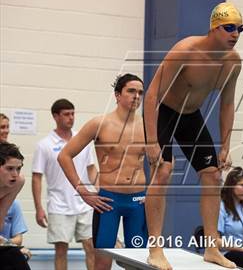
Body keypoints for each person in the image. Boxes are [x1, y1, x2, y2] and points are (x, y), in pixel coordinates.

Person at [144, 2, 243, 270]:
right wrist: (152, 141)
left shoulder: (233, 62)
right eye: (229, 28)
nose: (235, 34)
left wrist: (225, 146)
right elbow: (152, 94)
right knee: (163, 171)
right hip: (164, 110)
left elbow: (227, 104)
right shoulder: (186, 51)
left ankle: (212, 248)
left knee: (212, 174)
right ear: (213, 28)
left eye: (240, 29)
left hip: (191, 116)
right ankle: (155, 248)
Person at [58, 74, 148, 270]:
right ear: (117, 95)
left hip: (138, 201)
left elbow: (165, 161)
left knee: (139, 261)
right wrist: (83, 191)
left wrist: (155, 193)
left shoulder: (148, 126)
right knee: (102, 261)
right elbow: (64, 156)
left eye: (140, 92)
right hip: (108, 202)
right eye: (131, 91)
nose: (137, 96)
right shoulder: (99, 124)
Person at [32, 99, 96, 270]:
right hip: (59, 205)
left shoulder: (82, 140)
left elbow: (91, 169)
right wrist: (38, 208)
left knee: (91, 247)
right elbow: (36, 177)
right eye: (66, 114)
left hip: (85, 204)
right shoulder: (44, 145)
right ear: (55, 116)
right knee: (61, 250)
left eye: (73, 113)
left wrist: (101, 190)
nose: (71, 117)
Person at [0, 142, 30, 269]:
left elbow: (1, 216)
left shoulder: (18, 182)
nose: (15, 174)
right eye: (10, 168)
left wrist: (9, 246)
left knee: (15, 256)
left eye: (18, 168)